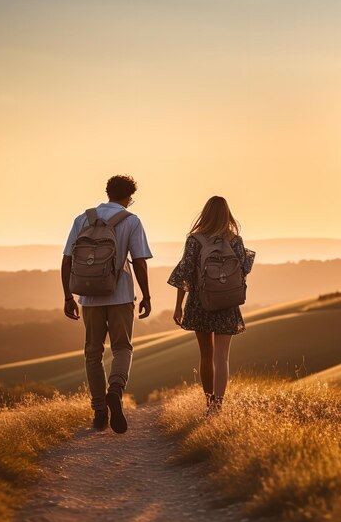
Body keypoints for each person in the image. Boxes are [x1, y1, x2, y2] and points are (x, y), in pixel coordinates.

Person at [61, 174, 153, 433]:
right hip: (121, 294)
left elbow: (67, 260)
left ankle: (99, 411)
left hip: (88, 296)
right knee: (122, 347)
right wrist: (146, 295)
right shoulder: (131, 221)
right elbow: (140, 261)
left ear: (107, 192)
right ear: (129, 197)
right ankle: (115, 389)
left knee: (93, 352)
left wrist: (68, 296)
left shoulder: (84, 218)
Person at [167, 196, 255, 415]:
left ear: (204, 214)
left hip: (200, 302)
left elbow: (184, 274)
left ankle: (209, 403)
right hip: (227, 302)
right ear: (227, 214)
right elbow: (243, 270)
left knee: (206, 355)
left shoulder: (194, 240)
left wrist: (178, 306)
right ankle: (218, 406)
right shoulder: (235, 239)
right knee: (222, 357)